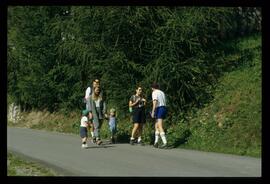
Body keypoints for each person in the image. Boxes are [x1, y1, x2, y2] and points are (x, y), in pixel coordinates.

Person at [151, 83, 168, 149]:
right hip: (164, 108)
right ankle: (156, 142)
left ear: (152, 88)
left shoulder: (154, 92)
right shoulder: (162, 92)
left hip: (159, 108)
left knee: (160, 125)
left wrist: (153, 111)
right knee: (156, 125)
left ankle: (165, 142)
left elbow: (155, 101)